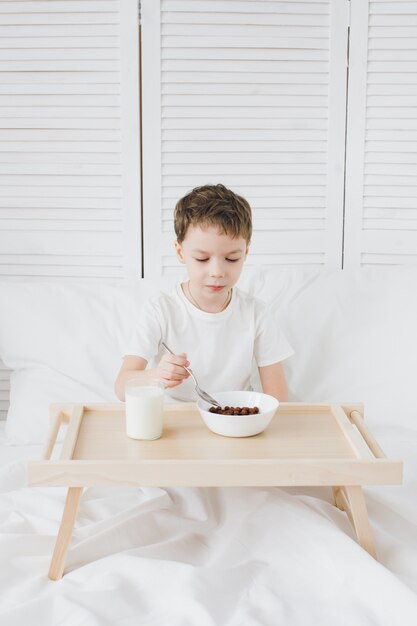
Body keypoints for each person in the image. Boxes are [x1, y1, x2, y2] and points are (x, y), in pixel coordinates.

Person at [115, 184, 293, 402]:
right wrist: (157, 376)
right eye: (202, 259)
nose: (217, 272)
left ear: (246, 252)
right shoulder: (160, 309)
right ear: (180, 252)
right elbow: (122, 386)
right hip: (176, 424)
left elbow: (278, 397)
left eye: (231, 259)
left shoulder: (255, 313)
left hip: (236, 420)